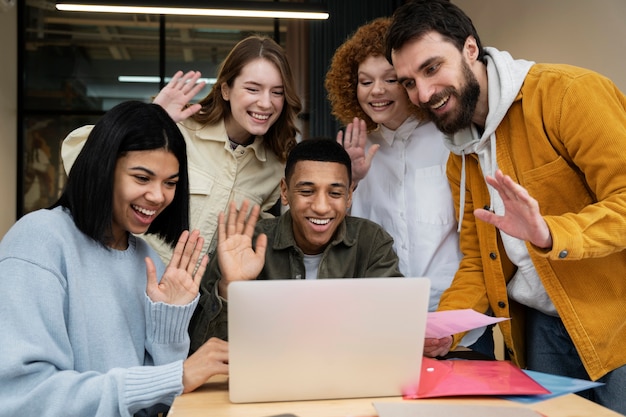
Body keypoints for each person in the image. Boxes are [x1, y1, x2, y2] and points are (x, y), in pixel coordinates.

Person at [385, 0, 626, 413]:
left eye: (431, 68)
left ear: (471, 49)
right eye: (408, 82)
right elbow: (480, 260)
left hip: (613, 324)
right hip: (541, 327)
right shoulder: (460, 156)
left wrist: (550, 233)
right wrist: (447, 330)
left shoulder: (568, 94)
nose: (422, 94)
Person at [0, 101, 229, 417]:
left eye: (171, 183)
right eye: (141, 177)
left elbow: (161, 403)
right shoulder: (39, 239)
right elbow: (24, 396)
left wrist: (170, 321)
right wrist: (173, 377)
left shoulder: (148, 260)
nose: (158, 196)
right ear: (103, 168)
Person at [325, 17, 493, 357]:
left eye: (390, 79)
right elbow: (328, 237)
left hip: (457, 322)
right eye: (365, 81)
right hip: (381, 323)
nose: (377, 90)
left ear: (409, 83)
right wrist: (350, 181)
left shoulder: (453, 138)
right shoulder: (353, 149)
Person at [61, 35, 302, 263]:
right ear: (226, 90)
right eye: (252, 89)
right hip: (129, 277)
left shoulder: (275, 165)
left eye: (277, 92)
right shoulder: (177, 128)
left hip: (195, 300)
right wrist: (149, 119)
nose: (266, 102)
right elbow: (77, 155)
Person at [188, 138, 403, 351]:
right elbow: (200, 349)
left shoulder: (371, 241)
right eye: (307, 191)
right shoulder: (245, 245)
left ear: (349, 196)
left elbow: (393, 332)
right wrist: (229, 287)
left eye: (335, 193)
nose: (320, 207)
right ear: (284, 191)